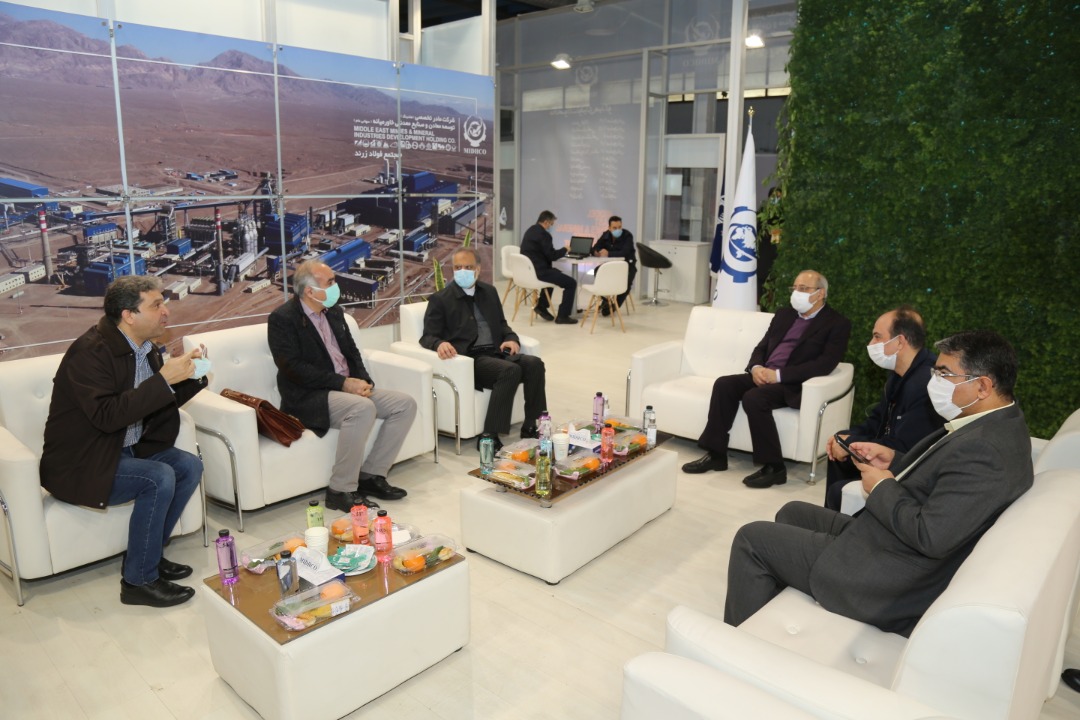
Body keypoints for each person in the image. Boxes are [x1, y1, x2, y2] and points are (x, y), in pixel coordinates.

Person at [724, 331, 1033, 636]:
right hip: (887, 541)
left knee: (751, 539)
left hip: (890, 577)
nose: (935, 381)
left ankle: (735, 647)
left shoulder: (985, 450)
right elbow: (948, 482)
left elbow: (931, 536)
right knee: (792, 511)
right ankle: (770, 617)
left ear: (982, 386)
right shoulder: (998, 423)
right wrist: (895, 461)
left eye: (944, 374)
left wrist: (882, 487)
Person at [40, 276, 207, 608]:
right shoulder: (90, 352)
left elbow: (153, 403)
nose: (165, 311)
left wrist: (194, 373)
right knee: (158, 477)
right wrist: (163, 380)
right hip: (83, 461)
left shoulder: (145, 349)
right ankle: (138, 582)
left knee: (189, 465)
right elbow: (107, 416)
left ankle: (148, 555)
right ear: (129, 315)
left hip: (125, 450)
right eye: (156, 305)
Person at [268, 260, 417, 512]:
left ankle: (371, 475)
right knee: (362, 408)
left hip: (346, 388)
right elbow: (293, 368)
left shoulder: (334, 312)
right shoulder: (283, 319)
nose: (336, 286)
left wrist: (364, 381)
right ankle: (340, 490)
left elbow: (352, 352)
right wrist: (343, 383)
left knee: (404, 404)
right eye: (330, 282)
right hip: (309, 396)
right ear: (310, 291)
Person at [682, 270, 852, 488]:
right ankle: (716, 454)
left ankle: (775, 467)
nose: (796, 293)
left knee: (755, 398)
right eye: (794, 288)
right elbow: (762, 347)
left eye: (803, 289)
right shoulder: (784, 315)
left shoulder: (836, 323)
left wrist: (779, 375)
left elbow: (824, 364)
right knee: (724, 385)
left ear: (820, 294)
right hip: (764, 374)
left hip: (793, 383)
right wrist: (756, 368)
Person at [420, 248, 548, 452]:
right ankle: (489, 435)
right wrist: (439, 344)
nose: (462, 271)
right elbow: (427, 336)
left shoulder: (489, 292)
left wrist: (511, 338)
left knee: (534, 364)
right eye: (458, 267)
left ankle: (531, 424)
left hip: (495, 353)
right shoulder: (441, 299)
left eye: (468, 267)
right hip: (471, 359)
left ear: (478, 269)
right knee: (510, 371)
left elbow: (502, 324)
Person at [823, 306, 943, 511]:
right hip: (889, 449)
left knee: (842, 459)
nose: (871, 344)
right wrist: (846, 437)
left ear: (900, 341)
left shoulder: (926, 385)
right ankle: (833, 520)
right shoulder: (898, 374)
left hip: (908, 465)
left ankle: (842, 520)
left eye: (877, 337)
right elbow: (877, 420)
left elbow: (903, 447)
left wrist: (850, 443)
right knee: (839, 448)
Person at [519, 210, 576, 324]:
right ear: (546, 222)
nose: (551, 227)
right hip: (539, 272)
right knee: (571, 283)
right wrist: (565, 249)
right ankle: (563, 316)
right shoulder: (544, 235)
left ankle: (541, 306)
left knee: (555, 273)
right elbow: (552, 256)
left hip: (528, 271)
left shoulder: (530, 230)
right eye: (551, 224)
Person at [591, 215, 636, 316]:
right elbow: (595, 247)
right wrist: (596, 252)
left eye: (620, 227)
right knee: (597, 271)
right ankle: (606, 300)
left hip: (627, 265)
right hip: (610, 265)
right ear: (609, 228)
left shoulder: (627, 235)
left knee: (626, 283)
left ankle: (614, 306)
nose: (618, 230)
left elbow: (625, 252)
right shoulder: (605, 235)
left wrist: (608, 253)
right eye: (615, 228)